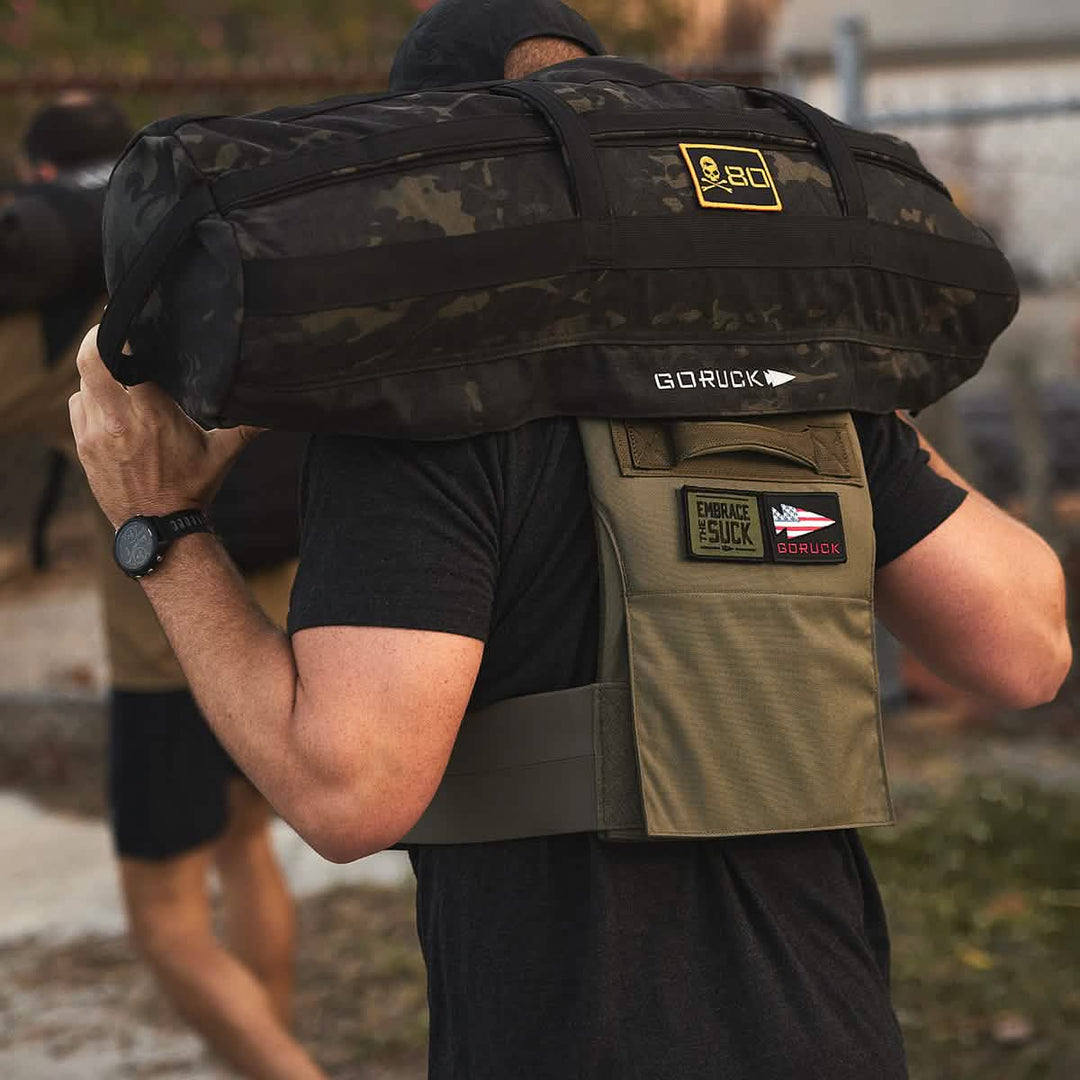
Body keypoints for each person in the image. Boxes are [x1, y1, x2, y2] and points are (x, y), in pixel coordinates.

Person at [69, 5, 1072, 1077]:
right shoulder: (805, 402)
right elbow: (1030, 649)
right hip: (833, 1027)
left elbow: (347, 790)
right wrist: (841, 374)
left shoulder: (418, 422)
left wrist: (159, 524)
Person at [0, 97, 326, 1080]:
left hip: (170, 643)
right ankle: (266, 1051)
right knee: (243, 852)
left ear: (39, 184)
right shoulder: (200, 246)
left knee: (164, 914)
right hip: (283, 602)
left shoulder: (50, 314)